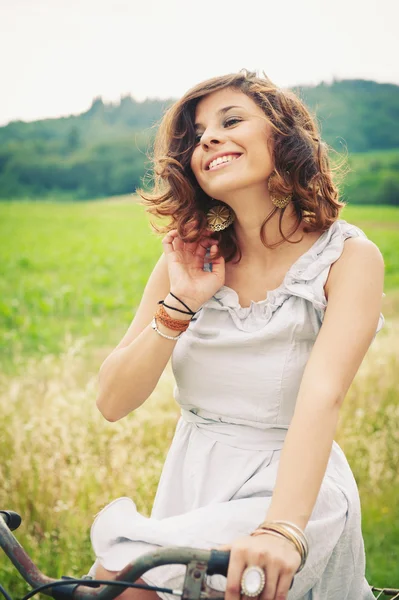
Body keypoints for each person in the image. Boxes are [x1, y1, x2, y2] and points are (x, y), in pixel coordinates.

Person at [89, 71, 385, 600]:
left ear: (284, 136)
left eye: (231, 121)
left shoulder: (348, 258)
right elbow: (113, 401)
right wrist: (182, 303)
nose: (208, 139)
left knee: (122, 577)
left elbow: (323, 396)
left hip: (292, 489)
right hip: (195, 477)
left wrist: (282, 528)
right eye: (197, 135)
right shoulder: (186, 258)